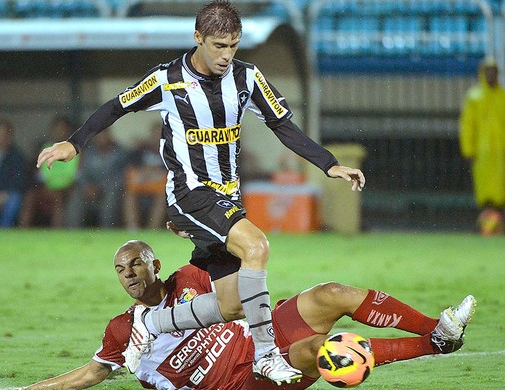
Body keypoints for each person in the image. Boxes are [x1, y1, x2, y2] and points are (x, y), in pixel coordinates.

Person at [36, 1, 365, 383]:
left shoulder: (247, 79)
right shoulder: (167, 79)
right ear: (198, 38)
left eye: (233, 45)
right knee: (257, 247)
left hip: (226, 199)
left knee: (232, 304)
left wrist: (329, 163)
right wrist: (74, 144)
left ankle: (153, 322)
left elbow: (284, 127)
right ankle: (265, 354)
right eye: (218, 45)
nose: (227, 55)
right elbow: (115, 107)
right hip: (189, 194)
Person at [22, 239, 476, 390]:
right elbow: (90, 373)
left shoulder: (189, 278)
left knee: (332, 293)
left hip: (260, 336)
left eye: (137, 263)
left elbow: (231, 264)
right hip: (247, 380)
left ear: (155, 264)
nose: (129, 274)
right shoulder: (123, 329)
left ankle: (439, 331)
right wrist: (32, 388)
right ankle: (429, 346)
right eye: (121, 270)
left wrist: (200, 228)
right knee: (321, 350)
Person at [459, 57, 505, 232]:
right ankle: (486, 225)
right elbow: (468, 126)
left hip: (504, 151)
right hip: (483, 152)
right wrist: (468, 149)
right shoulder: (474, 98)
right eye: (487, 71)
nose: (490, 74)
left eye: (493, 71)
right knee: (485, 191)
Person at [19, 116, 79, 228]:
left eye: (62, 129)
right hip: (46, 188)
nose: (58, 132)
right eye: (56, 129)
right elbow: (40, 172)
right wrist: (46, 187)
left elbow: (74, 176)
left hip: (66, 189)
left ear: (68, 131)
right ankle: (23, 232)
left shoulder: (74, 149)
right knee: (30, 197)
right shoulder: (46, 148)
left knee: (58, 198)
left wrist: (61, 188)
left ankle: (56, 233)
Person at [65, 128, 126, 228]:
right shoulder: (88, 152)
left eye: (104, 134)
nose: (101, 138)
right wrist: (86, 186)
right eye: (98, 135)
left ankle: (106, 234)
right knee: (75, 197)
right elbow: (81, 173)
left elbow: (120, 177)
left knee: (110, 200)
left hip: (108, 191)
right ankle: (72, 233)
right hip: (89, 191)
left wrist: (100, 187)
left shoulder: (119, 153)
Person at [123, 121, 167, 230]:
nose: (157, 138)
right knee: (129, 194)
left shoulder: (169, 152)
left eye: (159, 135)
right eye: (155, 134)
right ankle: (132, 228)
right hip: (141, 184)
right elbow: (131, 168)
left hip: (159, 187)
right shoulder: (140, 151)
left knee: (162, 197)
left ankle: (153, 229)